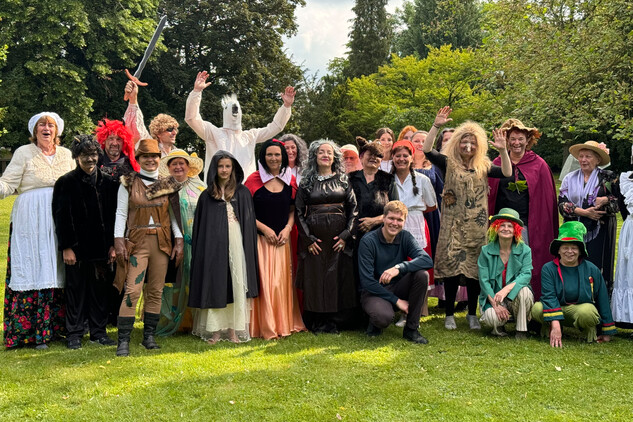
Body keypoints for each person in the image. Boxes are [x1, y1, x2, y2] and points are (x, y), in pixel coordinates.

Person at [423, 107, 512, 330]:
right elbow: (427, 150)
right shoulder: (448, 163)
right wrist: (436, 126)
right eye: (464, 142)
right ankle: (449, 314)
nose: (468, 146)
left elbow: (507, 173)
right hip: (452, 226)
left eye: (472, 142)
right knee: (452, 269)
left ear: (479, 145)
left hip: (476, 227)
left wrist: (503, 151)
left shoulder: (484, 166)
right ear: (457, 143)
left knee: (474, 270)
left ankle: (472, 313)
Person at [1, 112, 75, 349]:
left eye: (50, 125)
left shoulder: (66, 155)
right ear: (35, 131)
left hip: (59, 218)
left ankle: (55, 329)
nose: (46, 128)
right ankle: (28, 333)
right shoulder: (24, 152)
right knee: (32, 265)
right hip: (30, 220)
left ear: (57, 131)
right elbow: (8, 183)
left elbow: (77, 182)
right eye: (42, 125)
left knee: (56, 265)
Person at [113, 139, 184, 356]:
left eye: (154, 156)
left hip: (161, 242)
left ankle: (149, 337)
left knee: (156, 290)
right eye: (145, 156)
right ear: (139, 159)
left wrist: (179, 240)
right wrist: (118, 240)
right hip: (137, 242)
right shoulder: (128, 182)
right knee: (132, 290)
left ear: (159, 158)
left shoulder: (168, 183)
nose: (150, 160)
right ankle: (123, 340)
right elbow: (121, 213)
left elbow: (173, 215)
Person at [52, 135, 119, 349]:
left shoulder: (109, 183)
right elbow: (61, 217)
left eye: (93, 154)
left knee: (100, 292)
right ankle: (74, 333)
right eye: (84, 155)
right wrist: (67, 247)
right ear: (76, 157)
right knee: (75, 291)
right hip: (77, 250)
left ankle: (99, 332)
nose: (90, 159)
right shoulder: (65, 182)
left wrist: (113, 245)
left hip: (101, 248)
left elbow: (113, 217)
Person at [188, 151, 259, 344]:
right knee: (215, 282)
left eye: (228, 166)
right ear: (214, 168)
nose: (224, 170)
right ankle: (216, 331)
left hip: (236, 240)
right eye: (221, 166)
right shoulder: (207, 195)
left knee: (235, 281)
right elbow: (201, 227)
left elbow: (248, 223)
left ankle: (234, 330)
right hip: (213, 244)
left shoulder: (242, 192)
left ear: (233, 168)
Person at [488, 119, 557, 301]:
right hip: (500, 223)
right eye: (512, 139)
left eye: (520, 139)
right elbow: (489, 193)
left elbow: (546, 199)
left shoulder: (538, 164)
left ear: (528, 140)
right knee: (501, 263)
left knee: (523, 263)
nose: (516, 143)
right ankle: (500, 302)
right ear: (507, 140)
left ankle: (526, 301)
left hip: (527, 223)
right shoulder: (497, 162)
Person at [245, 140, 306, 339]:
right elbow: (246, 212)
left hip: (282, 241)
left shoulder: (290, 180)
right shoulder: (253, 180)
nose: (273, 158)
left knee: (280, 284)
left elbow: (292, 210)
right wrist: (264, 229)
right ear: (263, 157)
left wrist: (288, 229)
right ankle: (264, 325)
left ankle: (283, 323)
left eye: (277, 155)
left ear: (283, 157)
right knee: (264, 284)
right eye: (269, 155)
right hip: (260, 241)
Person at [295, 140, 358, 333]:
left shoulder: (343, 180)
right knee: (316, 279)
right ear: (314, 156)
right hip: (316, 241)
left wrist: (346, 236)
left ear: (334, 157)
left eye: (329, 152)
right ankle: (317, 321)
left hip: (338, 240)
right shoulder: (306, 182)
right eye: (321, 152)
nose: (325, 155)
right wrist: (308, 239)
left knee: (337, 278)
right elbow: (298, 212)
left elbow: (353, 209)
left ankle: (336, 321)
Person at [185, 70, 296, 179]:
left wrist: (286, 106)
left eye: (237, 108)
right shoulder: (213, 133)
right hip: (218, 190)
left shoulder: (250, 136)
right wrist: (196, 92)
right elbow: (191, 118)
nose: (235, 110)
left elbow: (275, 127)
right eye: (230, 108)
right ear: (225, 111)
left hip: (245, 190)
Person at [531, 221, 616, 347]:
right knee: (537, 308)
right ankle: (550, 328)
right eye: (565, 247)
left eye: (574, 248)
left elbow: (602, 299)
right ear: (558, 250)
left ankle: (589, 329)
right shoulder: (548, 269)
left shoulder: (592, 269)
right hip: (557, 308)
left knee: (588, 311)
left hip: (579, 310)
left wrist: (607, 331)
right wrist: (555, 324)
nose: (570, 251)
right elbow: (549, 296)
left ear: (580, 251)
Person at [358, 201, 432, 344]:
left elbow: (426, 260)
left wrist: (399, 268)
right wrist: (397, 301)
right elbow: (367, 282)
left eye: (399, 220)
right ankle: (374, 322)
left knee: (422, 275)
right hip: (374, 291)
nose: (395, 223)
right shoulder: (368, 241)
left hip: (398, 286)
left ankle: (411, 329)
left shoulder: (405, 237)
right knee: (383, 317)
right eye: (391, 218)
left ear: (404, 221)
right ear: (384, 218)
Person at [155, 150, 206, 336]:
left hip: (197, 239)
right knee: (174, 279)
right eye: (174, 164)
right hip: (170, 240)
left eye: (181, 163)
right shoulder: (162, 188)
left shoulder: (200, 187)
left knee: (194, 276)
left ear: (188, 166)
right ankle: (173, 319)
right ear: (168, 168)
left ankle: (195, 320)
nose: (178, 167)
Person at [559, 140, 619, 291]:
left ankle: (599, 297)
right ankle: (572, 295)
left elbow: (620, 203)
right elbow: (561, 205)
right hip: (574, 230)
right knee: (573, 261)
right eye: (581, 156)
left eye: (588, 156)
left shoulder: (609, 177)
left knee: (597, 264)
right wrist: (584, 212)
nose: (583, 160)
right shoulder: (569, 178)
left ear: (598, 159)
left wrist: (606, 199)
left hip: (601, 231)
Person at [391, 140, 437, 317]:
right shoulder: (388, 179)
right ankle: (403, 309)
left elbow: (432, 205)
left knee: (417, 263)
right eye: (398, 156)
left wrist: (414, 213)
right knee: (399, 261)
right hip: (395, 222)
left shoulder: (422, 179)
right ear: (393, 157)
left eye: (405, 155)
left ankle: (421, 307)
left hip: (416, 221)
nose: (401, 159)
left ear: (411, 158)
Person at [478, 208, 534, 338]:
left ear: (516, 230)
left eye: (510, 226)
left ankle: (521, 331)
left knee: (525, 291)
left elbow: (526, 275)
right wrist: (496, 305)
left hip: (515, 298)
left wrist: (506, 290)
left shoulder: (525, 250)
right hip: (494, 298)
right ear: (496, 228)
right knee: (491, 317)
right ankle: (499, 325)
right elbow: (484, 281)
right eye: (502, 225)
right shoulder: (485, 251)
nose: (506, 229)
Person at [349, 138, 398, 243]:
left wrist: (375, 220)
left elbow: (396, 209)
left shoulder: (388, 179)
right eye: (370, 154)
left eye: (377, 155)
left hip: (381, 234)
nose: (373, 158)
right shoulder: (350, 179)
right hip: (353, 235)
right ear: (361, 157)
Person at [124, 82, 180, 156]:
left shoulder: (179, 155)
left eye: (175, 129)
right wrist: (133, 100)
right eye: (169, 129)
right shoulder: (148, 147)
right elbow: (137, 128)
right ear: (158, 133)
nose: (174, 133)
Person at [613, 167, 633, 327]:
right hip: (630, 230)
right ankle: (627, 317)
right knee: (628, 271)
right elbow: (623, 209)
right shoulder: (625, 180)